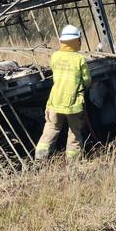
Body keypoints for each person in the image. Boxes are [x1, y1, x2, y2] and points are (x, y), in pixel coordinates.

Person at [35, 25, 92, 160]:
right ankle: (73, 162)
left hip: (55, 101)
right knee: (74, 133)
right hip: (73, 104)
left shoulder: (55, 57)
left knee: (50, 129)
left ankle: (40, 158)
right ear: (77, 40)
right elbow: (87, 80)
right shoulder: (79, 59)